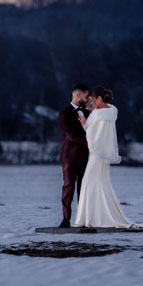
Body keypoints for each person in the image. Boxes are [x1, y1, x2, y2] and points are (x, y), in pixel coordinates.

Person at [73, 87, 134, 228]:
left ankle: (90, 218)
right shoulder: (110, 113)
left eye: (93, 101)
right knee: (101, 183)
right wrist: (94, 113)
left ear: (99, 99)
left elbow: (92, 135)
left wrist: (84, 124)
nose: (91, 104)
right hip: (104, 155)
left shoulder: (97, 115)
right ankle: (97, 217)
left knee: (89, 183)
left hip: (96, 155)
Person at [57, 84, 90, 228]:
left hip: (86, 157)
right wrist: (93, 144)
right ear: (77, 96)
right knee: (69, 187)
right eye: (86, 96)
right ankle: (66, 219)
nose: (88, 99)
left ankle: (83, 219)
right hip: (69, 157)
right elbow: (72, 136)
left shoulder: (88, 113)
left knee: (84, 188)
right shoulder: (65, 114)